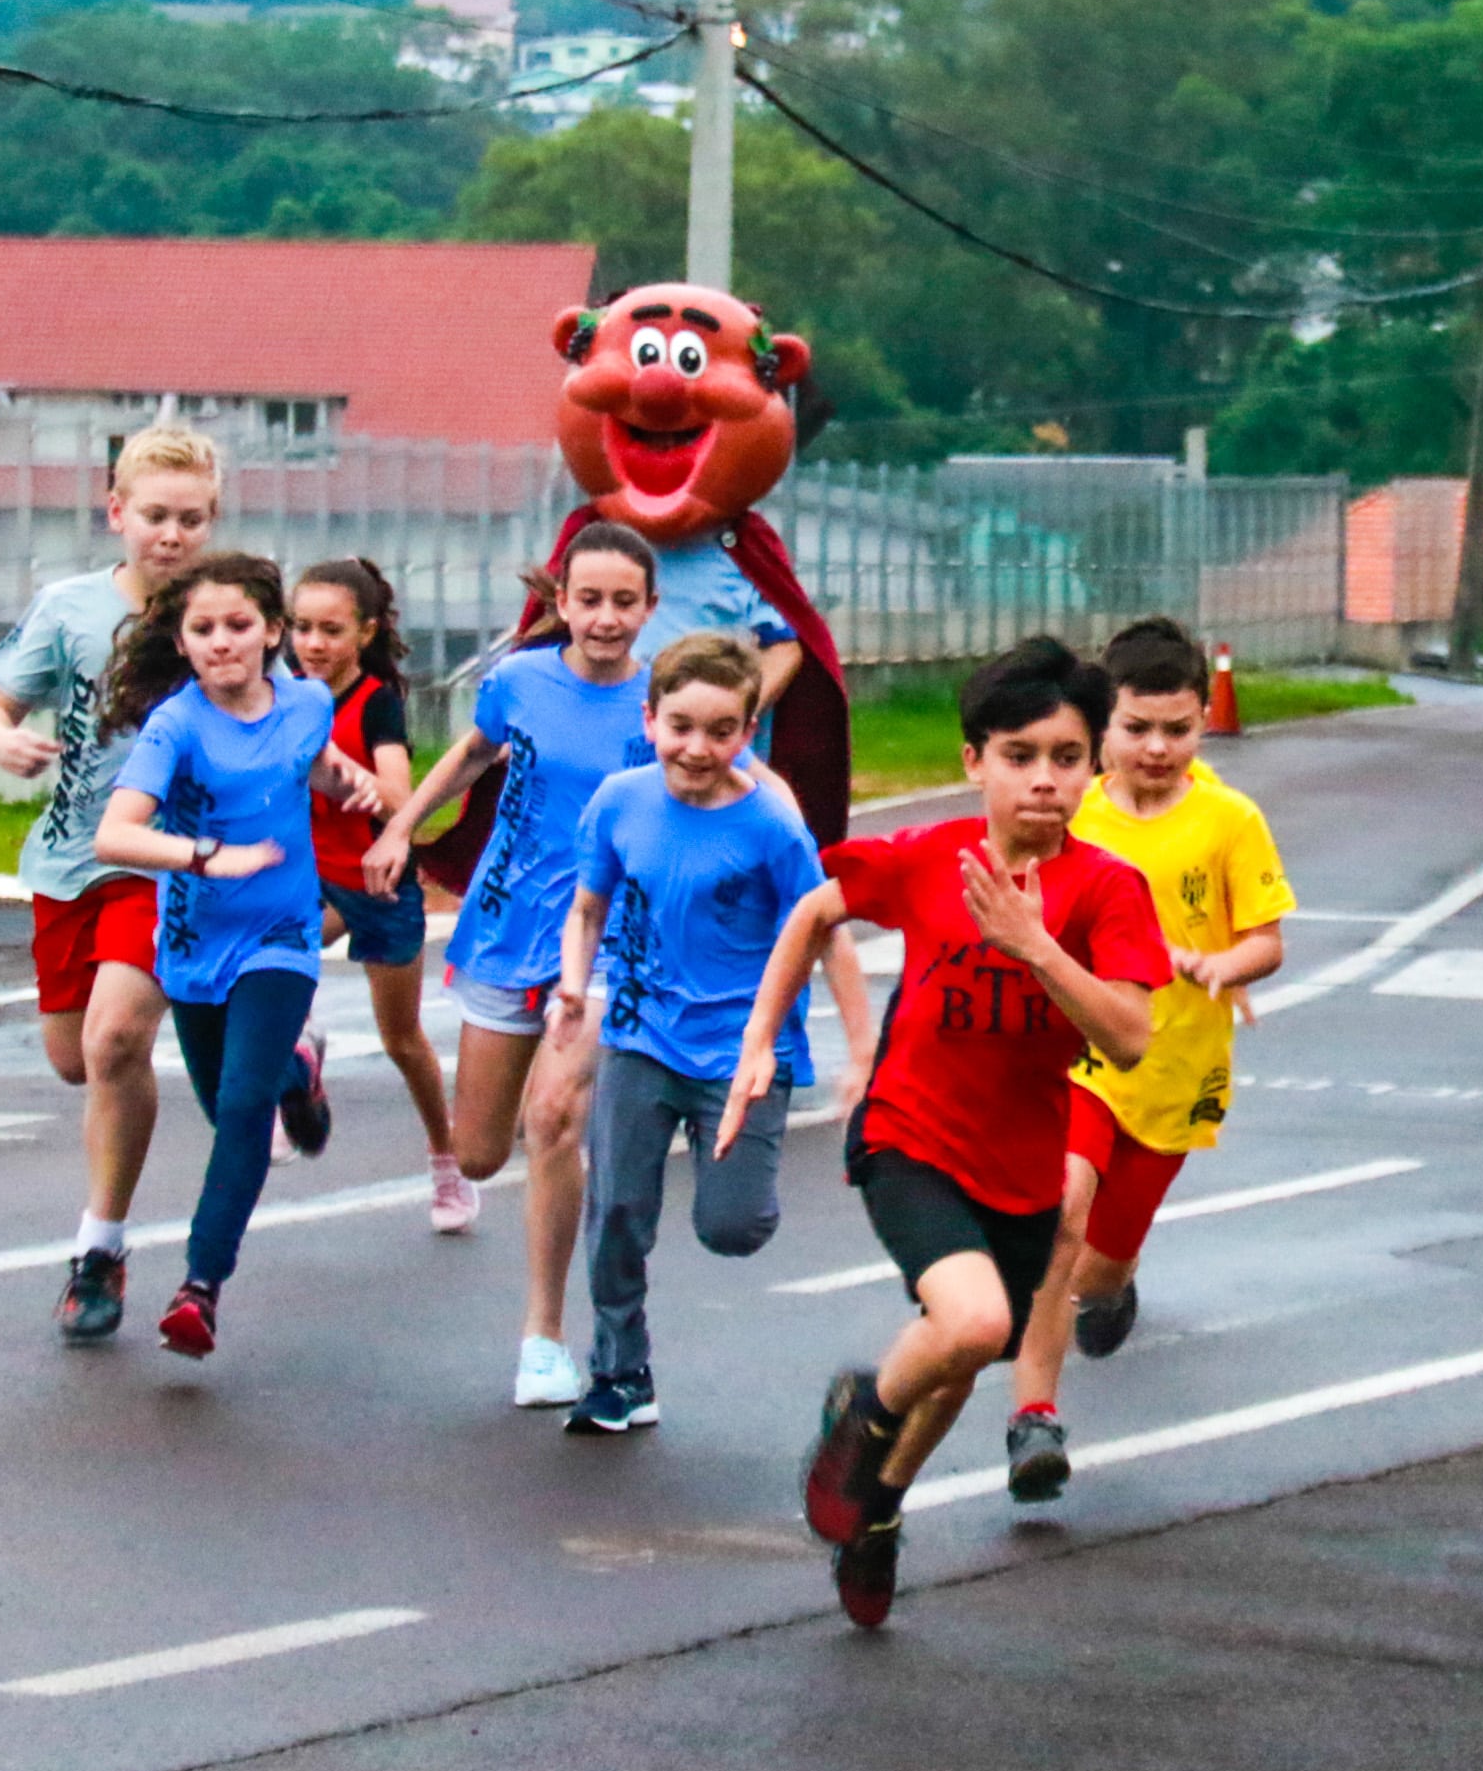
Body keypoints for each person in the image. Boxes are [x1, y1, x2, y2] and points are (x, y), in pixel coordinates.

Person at [741, 638, 1169, 1630]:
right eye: (1019, 756)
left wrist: (1034, 947)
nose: (1044, 780)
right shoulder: (936, 857)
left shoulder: (1107, 891)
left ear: (1092, 767)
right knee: (973, 1326)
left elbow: (1132, 1035)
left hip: (1021, 1168)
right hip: (910, 1137)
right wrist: (761, 1043)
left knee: (964, 1360)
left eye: (1066, 757)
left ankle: (878, 1509)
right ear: (974, 760)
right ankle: (862, 1416)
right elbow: (814, 908)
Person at [1002, 615, 1297, 1502]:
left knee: (1097, 1265)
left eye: (1178, 729)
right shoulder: (1076, 807)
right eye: (1136, 729)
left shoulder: (1229, 821)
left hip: (1175, 1070)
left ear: (1204, 723)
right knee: (1062, 1212)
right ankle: (1034, 1421)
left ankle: (1117, 1287)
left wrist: (1220, 964)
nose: (1157, 749)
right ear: (1105, 726)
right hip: (1082, 1051)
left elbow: (1267, 939)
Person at [551, 631, 875, 1437]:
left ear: (747, 732)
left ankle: (733, 1201)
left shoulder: (771, 824)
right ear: (650, 718)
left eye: (721, 730)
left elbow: (827, 928)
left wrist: (863, 1050)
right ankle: (619, 1372)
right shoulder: (620, 801)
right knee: (618, 1206)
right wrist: (570, 982)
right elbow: (589, 905)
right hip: (639, 1032)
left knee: (731, 1228)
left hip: (744, 1051)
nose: (697, 748)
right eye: (681, 726)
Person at [365, 523, 657, 1410]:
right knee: (486, 1152)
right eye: (589, 600)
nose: (605, 619)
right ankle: (577, 1166)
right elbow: (474, 752)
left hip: (607, 935)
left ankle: (545, 1337)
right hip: (505, 924)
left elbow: (731, 775)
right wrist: (401, 825)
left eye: (625, 603)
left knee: (553, 1121)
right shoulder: (522, 680)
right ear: (561, 602)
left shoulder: (662, 698)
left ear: (650, 609)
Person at [89, 554, 379, 1358]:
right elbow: (116, 834)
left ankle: (199, 1288)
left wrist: (339, 777)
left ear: (273, 633)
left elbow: (305, 760)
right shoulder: (175, 727)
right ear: (182, 643)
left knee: (244, 1110)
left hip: (281, 934)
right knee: (230, 1112)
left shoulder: (309, 702)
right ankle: (298, 1072)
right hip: (193, 942)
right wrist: (205, 856)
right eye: (204, 630)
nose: (223, 643)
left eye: (239, 626)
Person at [0, 423, 220, 1345]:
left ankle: (98, 1249)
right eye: (154, 515)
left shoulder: (224, 617)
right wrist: (2, 743)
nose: (171, 535)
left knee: (118, 1042)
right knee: (78, 1059)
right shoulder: (70, 609)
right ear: (116, 513)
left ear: (211, 522)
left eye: (190, 519)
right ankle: (268, 1038)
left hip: (160, 861)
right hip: (69, 860)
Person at [290, 558, 461, 1226]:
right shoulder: (277, 696)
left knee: (401, 1038)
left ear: (364, 634)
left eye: (330, 629)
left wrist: (348, 777)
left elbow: (398, 796)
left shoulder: (375, 704)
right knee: (268, 989)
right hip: (308, 878)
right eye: (301, 627)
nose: (313, 643)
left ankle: (446, 1161)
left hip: (375, 880)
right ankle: (293, 1072)